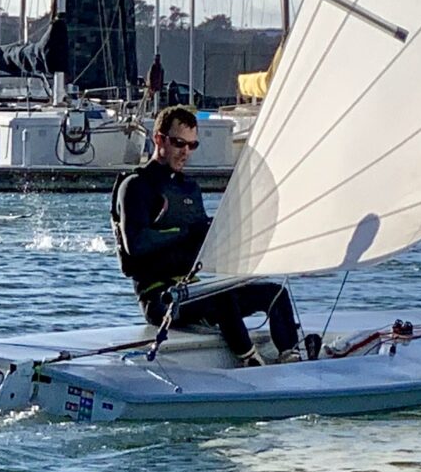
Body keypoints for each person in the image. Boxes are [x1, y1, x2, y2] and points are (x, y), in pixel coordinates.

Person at [113, 104, 307, 363]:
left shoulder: (189, 189)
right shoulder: (135, 187)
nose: (185, 152)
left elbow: (201, 242)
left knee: (274, 292)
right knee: (220, 296)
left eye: (192, 146)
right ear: (158, 139)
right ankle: (249, 359)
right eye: (179, 143)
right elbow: (135, 245)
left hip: (195, 290)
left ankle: (291, 356)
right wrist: (185, 232)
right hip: (159, 299)